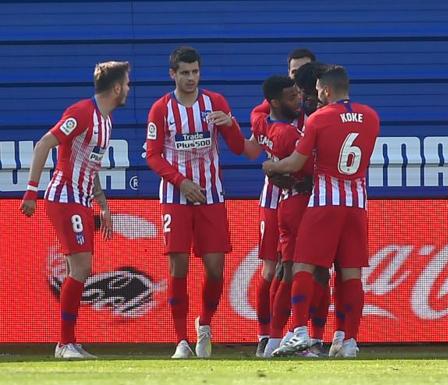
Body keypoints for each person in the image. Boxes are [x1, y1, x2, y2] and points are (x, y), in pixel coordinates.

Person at [265, 65, 380, 358]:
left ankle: (299, 331)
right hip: (357, 204)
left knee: (303, 266)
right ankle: (347, 340)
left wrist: (272, 166)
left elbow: (294, 163)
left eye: (318, 90)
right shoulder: (371, 117)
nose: (316, 95)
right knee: (350, 273)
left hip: (325, 202)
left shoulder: (319, 118)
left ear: (327, 90)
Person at [19, 61, 131, 359]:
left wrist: (102, 204)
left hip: (80, 200)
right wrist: (31, 190)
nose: (129, 90)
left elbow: (90, 165)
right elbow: (44, 144)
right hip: (64, 197)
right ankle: (64, 343)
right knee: (80, 267)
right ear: (117, 87)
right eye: (127, 84)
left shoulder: (105, 122)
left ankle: (68, 342)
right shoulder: (82, 112)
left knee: (78, 269)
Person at [145, 46, 246, 359]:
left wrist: (229, 123)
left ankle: (205, 324)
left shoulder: (215, 102)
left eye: (195, 72)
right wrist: (181, 182)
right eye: (184, 73)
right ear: (172, 74)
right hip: (176, 198)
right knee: (179, 267)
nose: (190, 78)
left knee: (215, 269)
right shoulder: (161, 109)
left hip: (211, 197)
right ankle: (181, 340)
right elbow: (152, 155)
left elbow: (239, 148)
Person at [245, 49, 320, 358]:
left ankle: (301, 334)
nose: (298, 84)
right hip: (279, 196)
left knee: (308, 270)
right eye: (294, 74)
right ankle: (268, 335)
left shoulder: (312, 109)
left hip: (304, 195)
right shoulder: (276, 112)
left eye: (304, 74)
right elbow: (257, 126)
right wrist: (276, 167)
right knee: (274, 270)